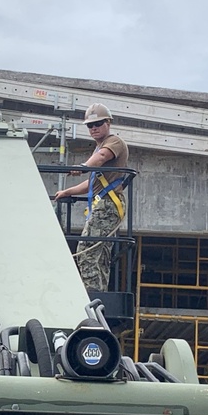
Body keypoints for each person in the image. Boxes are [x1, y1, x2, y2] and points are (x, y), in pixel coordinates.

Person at [53, 103, 130, 292]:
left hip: (108, 204)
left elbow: (102, 157)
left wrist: (83, 166)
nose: (94, 128)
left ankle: (92, 295)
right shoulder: (98, 149)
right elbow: (92, 183)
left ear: (108, 123)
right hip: (104, 202)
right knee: (99, 254)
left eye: (98, 123)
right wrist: (68, 191)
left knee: (86, 251)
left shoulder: (113, 142)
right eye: (90, 125)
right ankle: (99, 293)